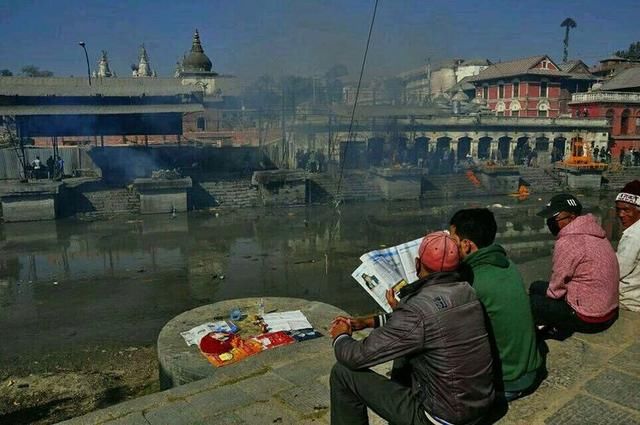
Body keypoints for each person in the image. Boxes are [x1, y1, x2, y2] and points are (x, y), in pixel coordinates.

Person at [329, 231, 495, 425]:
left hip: (442, 419)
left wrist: (340, 337)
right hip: (479, 408)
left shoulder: (418, 310)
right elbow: (430, 321)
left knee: (342, 373)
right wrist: (368, 322)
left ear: (417, 264)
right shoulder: (467, 292)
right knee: (404, 348)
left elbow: (356, 356)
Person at [449, 209, 545, 402]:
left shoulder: (474, 283)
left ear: (466, 245)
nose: (449, 246)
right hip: (531, 371)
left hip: (508, 382)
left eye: (452, 240)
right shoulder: (506, 264)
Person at [530, 194, 619, 336]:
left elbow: (556, 289)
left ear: (571, 217)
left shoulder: (569, 241)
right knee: (536, 286)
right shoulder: (595, 232)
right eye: (549, 219)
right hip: (609, 311)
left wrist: (545, 307)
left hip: (590, 318)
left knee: (532, 303)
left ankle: (546, 330)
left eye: (555, 218)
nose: (550, 223)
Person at [615, 180, 640, 312]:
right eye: (618, 210)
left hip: (628, 302)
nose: (621, 214)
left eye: (626, 210)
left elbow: (618, 271)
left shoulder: (633, 235)